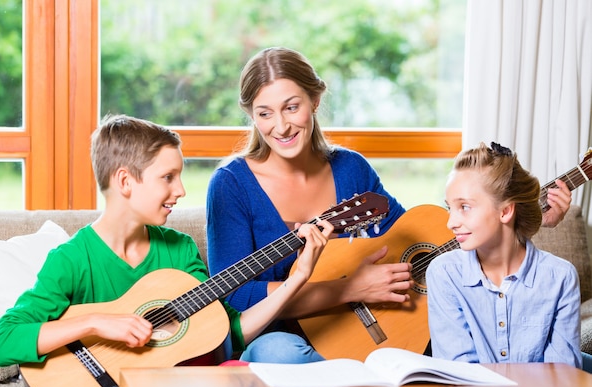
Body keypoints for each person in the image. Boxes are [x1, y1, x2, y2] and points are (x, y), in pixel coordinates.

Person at [206, 47, 574, 364]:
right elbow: (236, 296)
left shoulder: (350, 169)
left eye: (292, 107)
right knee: (279, 356)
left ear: (315, 101)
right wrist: (349, 289)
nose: (281, 126)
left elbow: (422, 241)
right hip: (286, 337)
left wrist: (527, 221)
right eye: (264, 112)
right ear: (251, 115)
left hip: (373, 331)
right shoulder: (231, 185)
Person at [0, 114, 333, 373]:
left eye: (179, 177)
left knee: (259, 359)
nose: (180, 190)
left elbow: (230, 334)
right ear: (125, 181)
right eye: (167, 177)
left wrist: (297, 278)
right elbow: (1, 345)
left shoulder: (179, 249)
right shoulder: (72, 260)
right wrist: (93, 323)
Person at [426, 141, 584, 368]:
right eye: (449, 207)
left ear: (506, 211)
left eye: (465, 207)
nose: (451, 223)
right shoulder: (444, 273)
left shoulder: (560, 277)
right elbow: (458, 372)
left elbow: (562, 375)